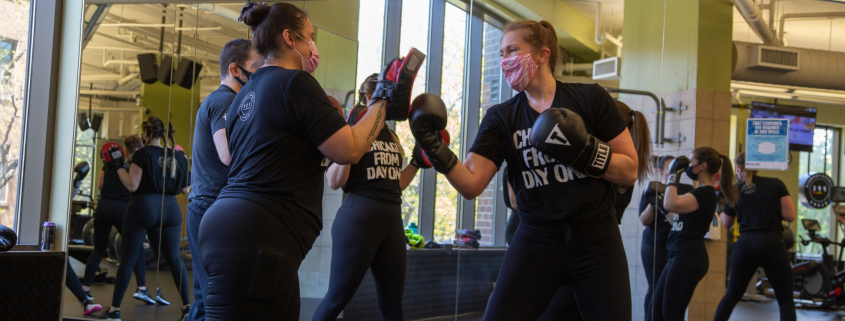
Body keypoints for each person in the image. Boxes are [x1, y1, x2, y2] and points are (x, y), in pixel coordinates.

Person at [197, 2, 420, 319]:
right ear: (290, 38)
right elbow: (350, 150)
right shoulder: (295, 83)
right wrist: (384, 97)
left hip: (237, 226)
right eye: (310, 36)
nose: (313, 45)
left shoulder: (246, 94)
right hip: (260, 236)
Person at [409, 19, 639, 320]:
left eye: (513, 50)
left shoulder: (590, 99)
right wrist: (435, 148)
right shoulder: (501, 118)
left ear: (542, 55)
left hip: (597, 241)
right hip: (536, 241)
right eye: (502, 53)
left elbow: (630, 169)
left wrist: (583, 150)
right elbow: (471, 184)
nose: (505, 60)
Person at [312, 74, 422, 321]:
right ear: (370, 97)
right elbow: (334, 181)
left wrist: (416, 162)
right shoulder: (354, 130)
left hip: (392, 221)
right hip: (358, 219)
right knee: (336, 299)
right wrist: (351, 135)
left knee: (393, 307)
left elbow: (395, 184)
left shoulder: (392, 136)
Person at [186, 38, 263, 321]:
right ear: (235, 68)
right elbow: (228, 154)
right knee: (214, 298)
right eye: (256, 66)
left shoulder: (223, 100)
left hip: (207, 205)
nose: (260, 72)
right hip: (209, 205)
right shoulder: (224, 100)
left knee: (206, 299)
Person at [99, 117, 191, 321]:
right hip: (171, 210)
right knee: (175, 259)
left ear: (146, 133)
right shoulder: (176, 155)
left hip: (144, 207)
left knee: (128, 259)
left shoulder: (142, 154)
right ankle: (187, 307)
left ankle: (114, 311)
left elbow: (132, 185)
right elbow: (186, 190)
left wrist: (118, 167)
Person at [651, 147, 737, 321]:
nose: (688, 166)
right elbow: (675, 215)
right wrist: (658, 204)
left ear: (703, 166)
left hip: (688, 257)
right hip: (678, 254)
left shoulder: (705, 193)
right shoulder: (697, 193)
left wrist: (674, 173)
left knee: (671, 315)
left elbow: (671, 203)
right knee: (657, 310)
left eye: (691, 163)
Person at [713, 152, 796, 321]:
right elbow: (790, 216)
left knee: (732, 295)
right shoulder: (776, 184)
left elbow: (726, 223)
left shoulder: (734, 189)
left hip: (746, 245)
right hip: (772, 242)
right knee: (785, 300)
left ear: (739, 168)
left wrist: (720, 208)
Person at [81, 136, 153, 305]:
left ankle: (85, 288)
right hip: (122, 209)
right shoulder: (133, 167)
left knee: (99, 250)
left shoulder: (108, 164)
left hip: (103, 207)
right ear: (137, 149)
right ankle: (141, 288)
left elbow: (100, 185)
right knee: (137, 249)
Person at [638, 156, 693, 321]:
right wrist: (652, 202)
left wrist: (663, 205)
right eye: (671, 167)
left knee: (673, 289)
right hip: (653, 243)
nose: (675, 171)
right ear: (662, 172)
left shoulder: (687, 189)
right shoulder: (653, 187)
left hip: (676, 245)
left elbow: (679, 222)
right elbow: (644, 221)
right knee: (654, 287)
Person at [66, 161, 104, 316]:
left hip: (52, 224)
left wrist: (78, 179)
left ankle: (86, 302)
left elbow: (69, 195)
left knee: (63, 263)